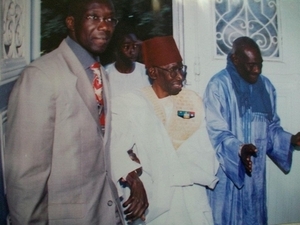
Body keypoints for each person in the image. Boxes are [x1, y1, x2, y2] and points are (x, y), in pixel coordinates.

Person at [4, 0, 125, 224]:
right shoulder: (41, 75)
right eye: (94, 17)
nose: (105, 26)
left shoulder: (98, 72)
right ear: (71, 22)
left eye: (110, 19)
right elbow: (25, 176)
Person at [110, 36, 219, 224]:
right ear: (153, 72)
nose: (180, 76)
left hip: (192, 198)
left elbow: (205, 154)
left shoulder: (193, 102)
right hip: (157, 203)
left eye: (181, 68)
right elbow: (114, 146)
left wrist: (150, 161)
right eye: (172, 70)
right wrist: (134, 176)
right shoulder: (130, 103)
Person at [203, 36, 300, 225]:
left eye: (260, 64)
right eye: (251, 65)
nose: (256, 70)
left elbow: (271, 130)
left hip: (255, 176)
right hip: (228, 173)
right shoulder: (218, 86)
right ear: (235, 60)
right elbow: (215, 131)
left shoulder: (266, 87)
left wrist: (290, 140)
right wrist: (239, 149)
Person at [104, 20, 150, 98]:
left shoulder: (145, 72)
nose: (132, 51)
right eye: (126, 46)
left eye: (135, 46)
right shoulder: (106, 74)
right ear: (117, 49)